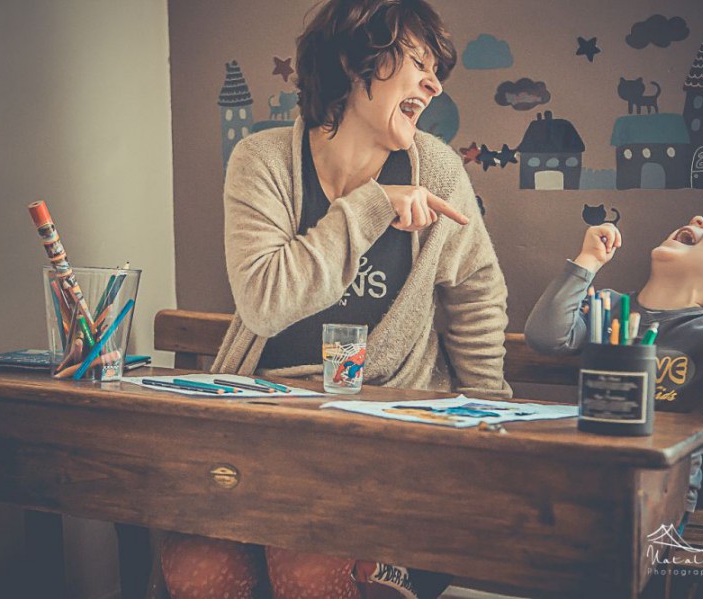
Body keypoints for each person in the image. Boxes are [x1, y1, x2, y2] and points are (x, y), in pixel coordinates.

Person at [162, 1, 511, 597]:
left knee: (309, 565)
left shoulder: (438, 170)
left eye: (437, 72)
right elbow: (264, 301)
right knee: (195, 564)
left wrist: (490, 429)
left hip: (380, 445)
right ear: (354, 62)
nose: (434, 85)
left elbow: (476, 293)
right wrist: (373, 205)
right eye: (418, 63)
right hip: (264, 438)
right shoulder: (263, 161)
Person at [525, 216, 703, 521]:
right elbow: (545, 337)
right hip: (586, 482)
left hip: (661, 500)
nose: (698, 219)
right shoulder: (607, 308)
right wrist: (589, 260)